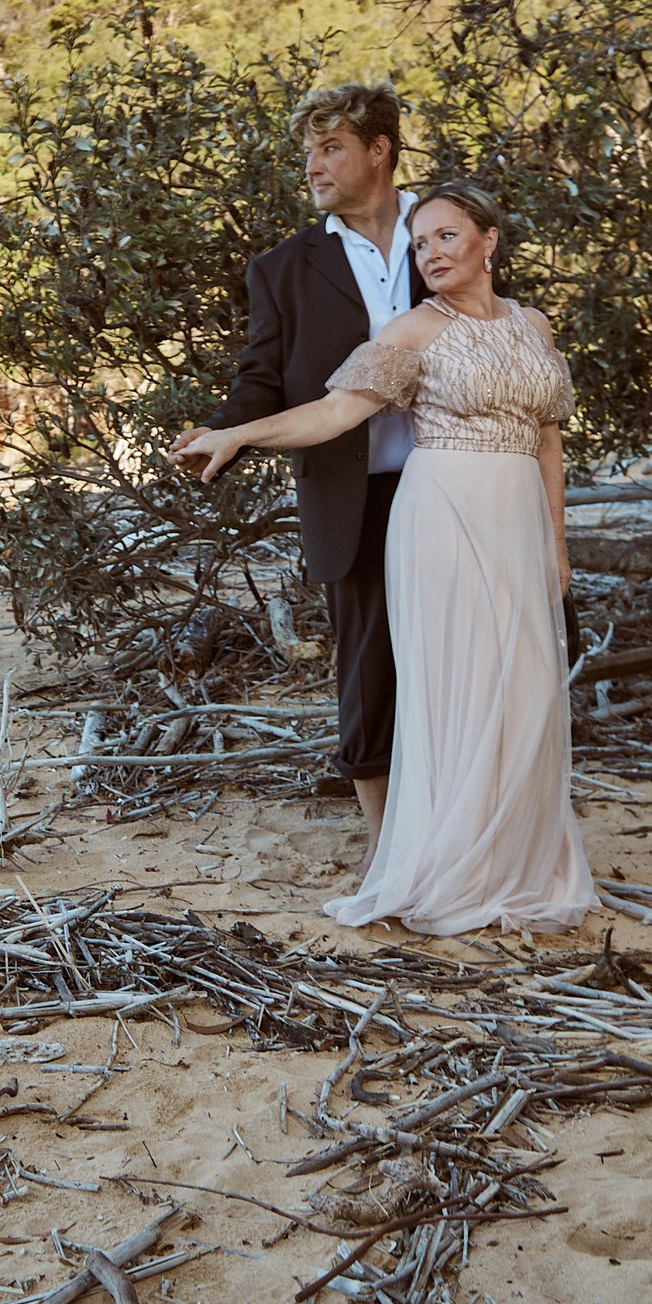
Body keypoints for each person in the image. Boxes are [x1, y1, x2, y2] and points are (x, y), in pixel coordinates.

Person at [173, 183, 596, 935]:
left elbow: (548, 441)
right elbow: (334, 412)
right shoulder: (414, 330)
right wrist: (237, 434)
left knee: (524, 685)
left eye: (446, 236)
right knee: (461, 685)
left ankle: (518, 860)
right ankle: (450, 863)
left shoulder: (532, 324)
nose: (430, 253)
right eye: (420, 243)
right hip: (443, 517)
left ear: (489, 240)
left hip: (518, 518)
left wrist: (556, 546)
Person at [170, 82, 425, 863]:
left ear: (379, 150)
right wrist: (225, 430)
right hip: (353, 495)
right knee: (370, 670)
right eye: (309, 151)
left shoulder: (443, 231)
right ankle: (385, 846)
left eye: (330, 148)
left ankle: (458, 826)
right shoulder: (283, 268)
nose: (313, 165)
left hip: (455, 482)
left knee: (461, 652)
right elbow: (263, 377)